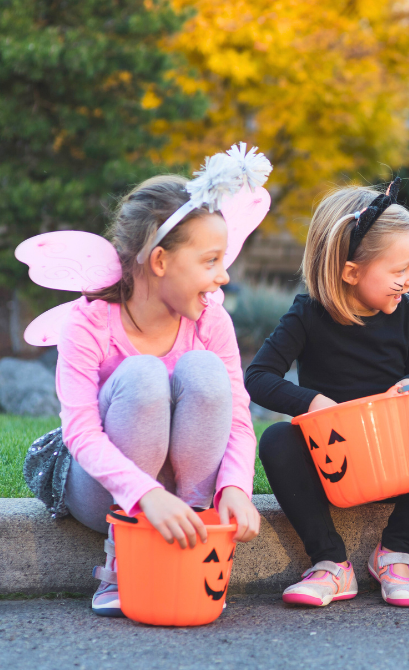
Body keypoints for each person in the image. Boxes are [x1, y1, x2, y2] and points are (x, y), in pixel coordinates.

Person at [246, 180, 409, 608]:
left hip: (394, 460)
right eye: (400, 270)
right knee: (275, 439)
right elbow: (258, 376)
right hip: (333, 466)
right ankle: (330, 563)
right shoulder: (307, 315)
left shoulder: (406, 311)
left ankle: (396, 552)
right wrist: (310, 401)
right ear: (351, 272)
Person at [55, 174, 261, 617]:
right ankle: (120, 559)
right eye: (210, 260)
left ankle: (190, 535)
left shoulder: (211, 320)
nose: (223, 275)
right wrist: (144, 493)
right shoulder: (89, 322)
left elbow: (240, 420)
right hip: (107, 490)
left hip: (185, 484)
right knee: (143, 375)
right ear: (161, 261)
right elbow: (81, 433)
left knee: (206, 371)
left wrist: (236, 487)